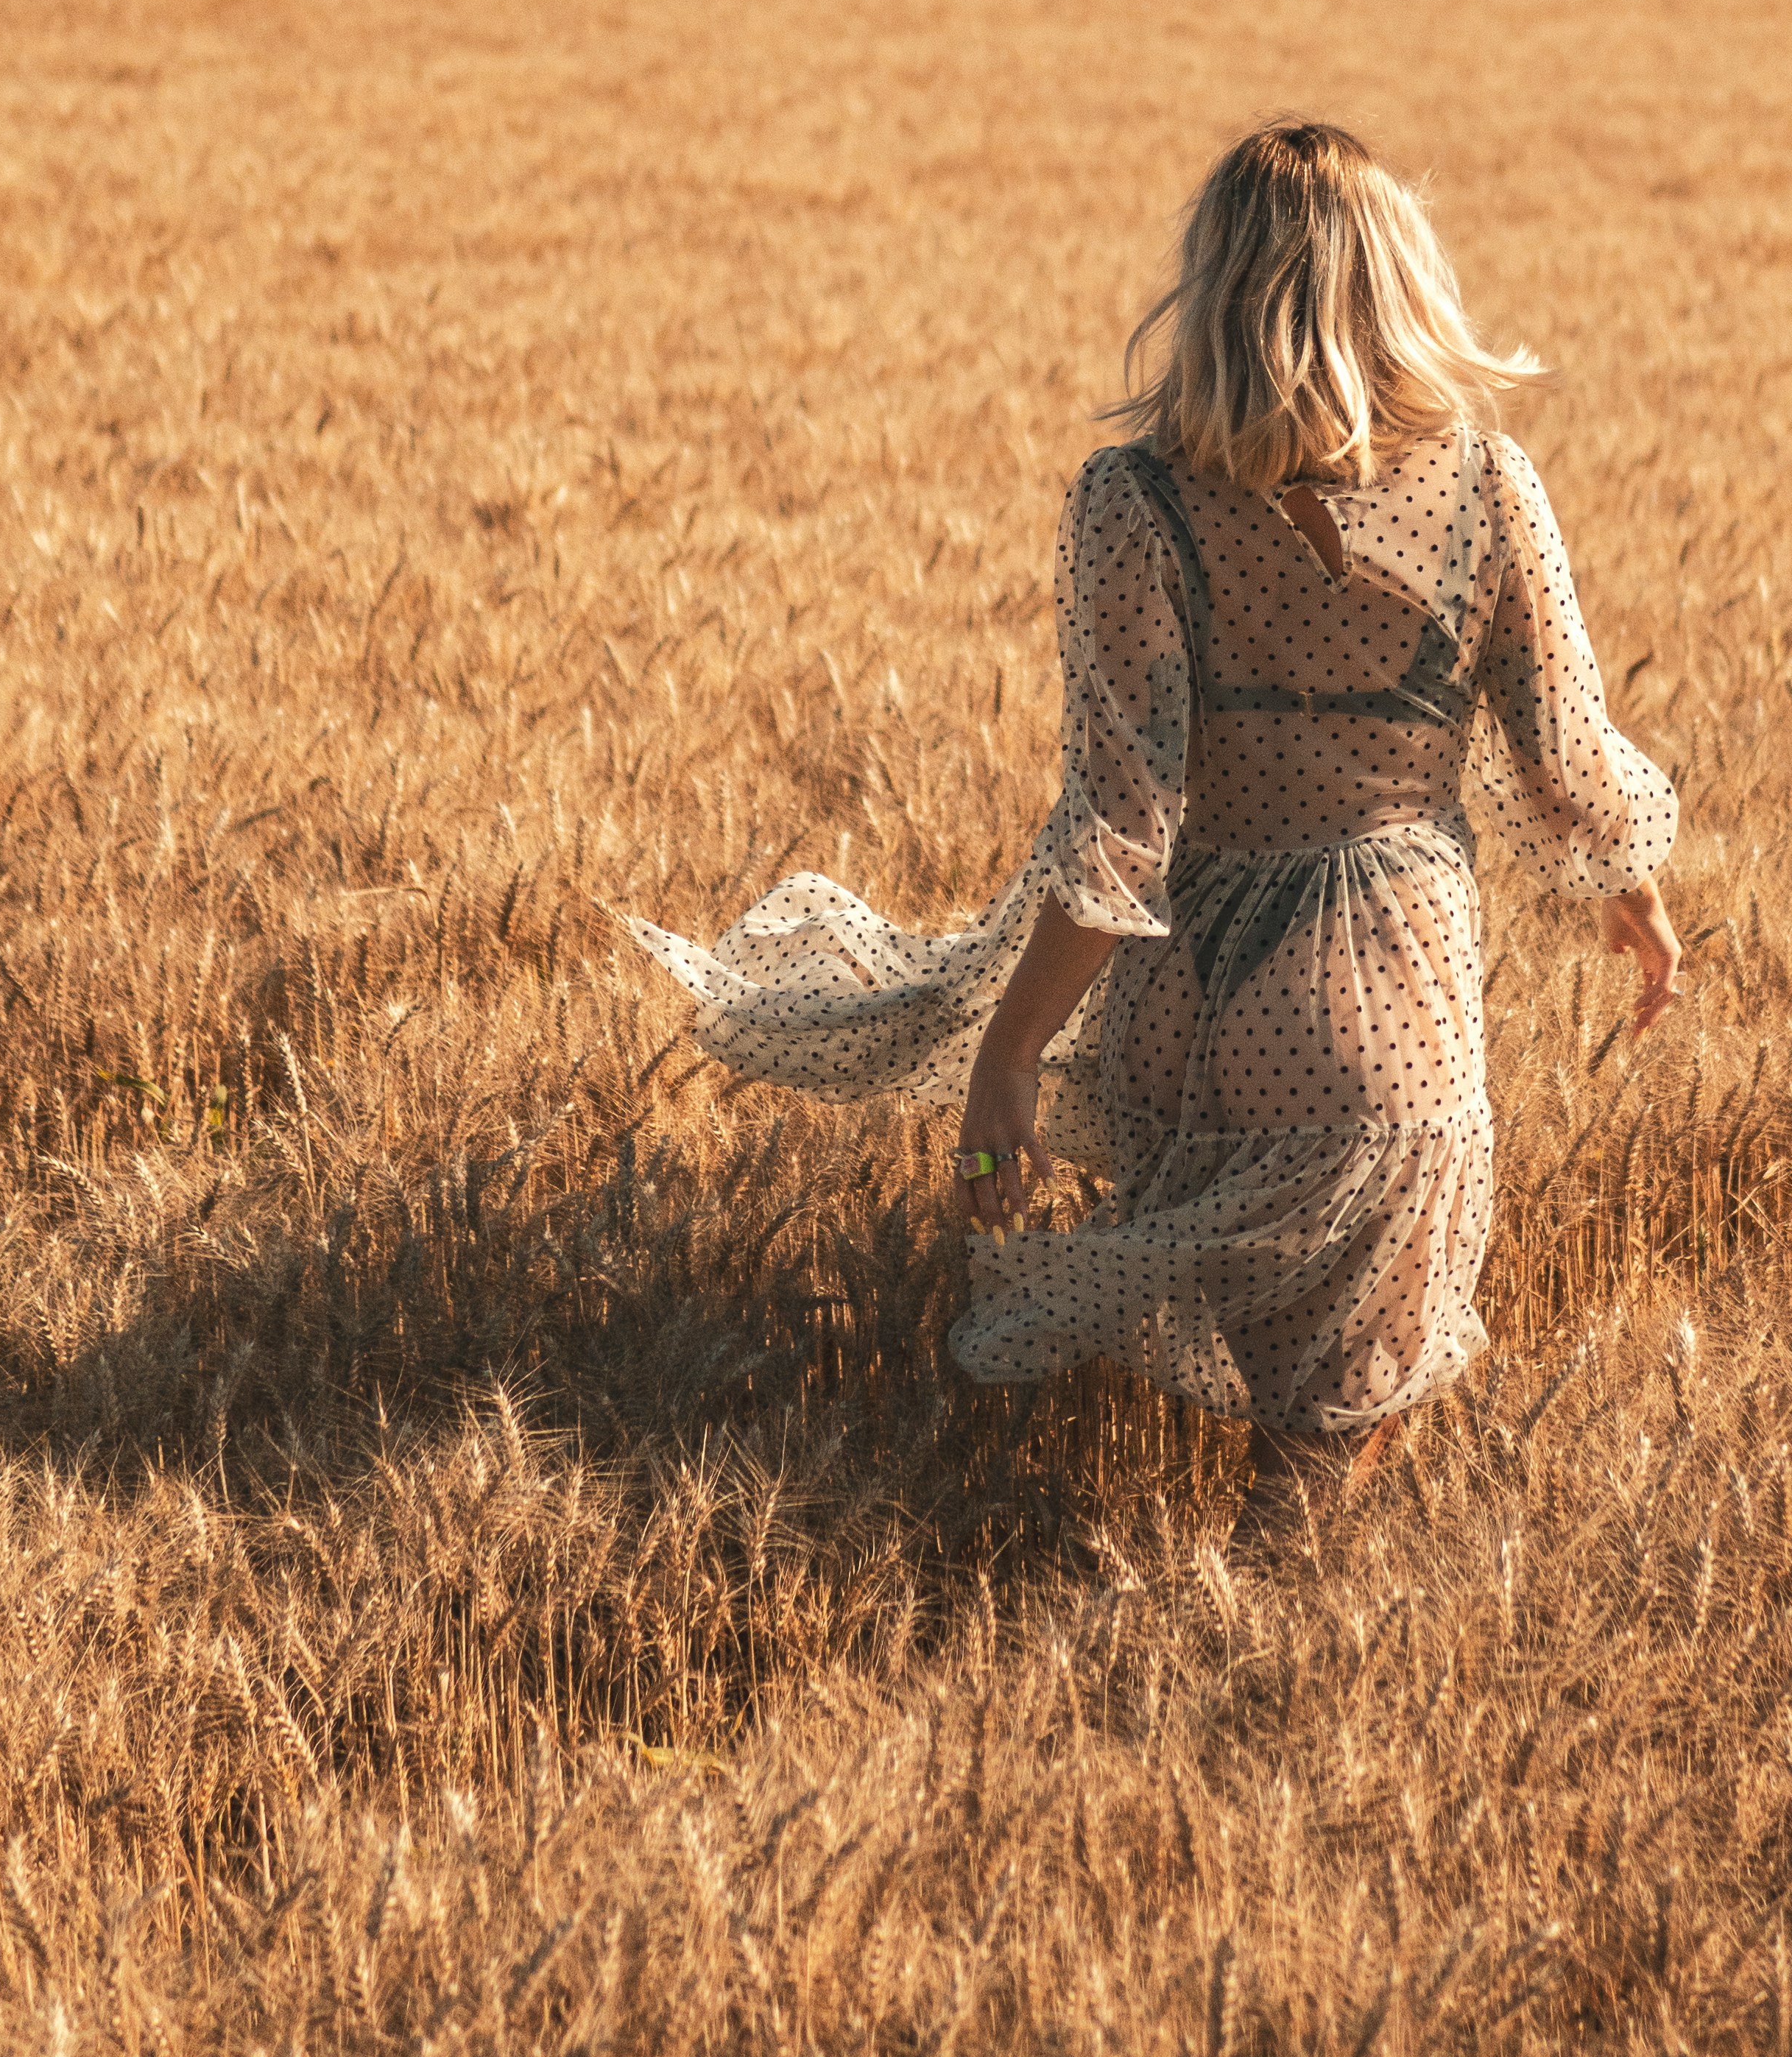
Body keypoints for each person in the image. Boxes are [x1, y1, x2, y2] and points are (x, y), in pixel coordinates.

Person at [629, 121, 1680, 1532]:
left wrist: (1008, 1054)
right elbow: (1563, 755)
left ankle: (1223, 1647)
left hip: (1198, 1011)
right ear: (1399, 287)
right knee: (1329, 1444)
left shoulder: (1135, 503)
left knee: (1282, 1407)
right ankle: (1257, 1673)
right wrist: (1633, 887)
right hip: (1396, 1011)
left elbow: (1121, 824)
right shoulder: (1491, 485)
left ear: (1214, 292)